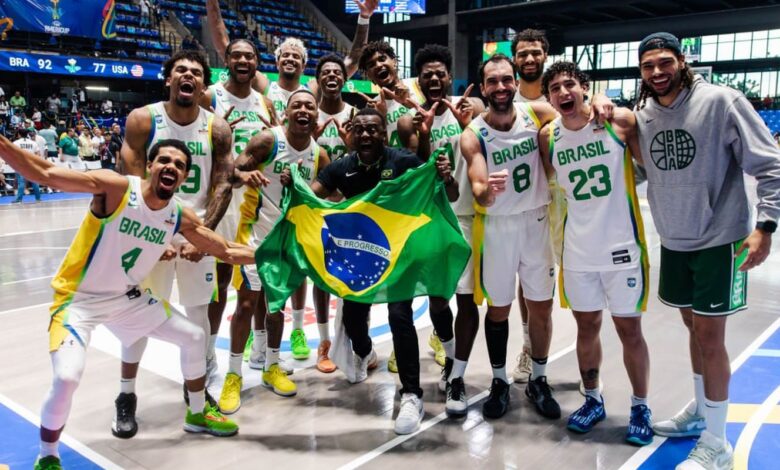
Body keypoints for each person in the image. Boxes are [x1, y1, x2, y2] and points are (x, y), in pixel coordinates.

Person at [0, 137, 257, 470]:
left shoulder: (178, 214)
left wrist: (281, 254)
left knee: (194, 336)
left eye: (179, 165)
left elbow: (227, 251)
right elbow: (45, 171)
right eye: (164, 160)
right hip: (77, 300)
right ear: (150, 166)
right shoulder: (117, 189)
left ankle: (197, 412)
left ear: (183, 178)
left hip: (124, 297)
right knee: (67, 377)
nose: (171, 167)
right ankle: (47, 456)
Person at [634, 32, 780, 469]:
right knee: (693, 330)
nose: (657, 72)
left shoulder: (722, 102)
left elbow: (770, 166)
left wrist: (765, 226)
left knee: (710, 338)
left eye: (664, 62)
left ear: (682, 60)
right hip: (675, 241)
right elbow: (643, 169)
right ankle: (702, 412)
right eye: (647, 66)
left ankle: (718, 441)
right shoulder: (643, 115)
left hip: (720, 239)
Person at [278, 106, 455, 435]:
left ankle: (412, 394)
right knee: (355, 321)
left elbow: (441, 189)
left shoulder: (402, 160)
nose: (365, 135)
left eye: (372, 129)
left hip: (402, 255)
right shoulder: (342, 167)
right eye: (358, 129)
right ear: (350, 134)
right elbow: (312, 196)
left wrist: (444, 174)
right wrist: (296, 184)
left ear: (383, 133)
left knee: (400, 315)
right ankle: (365, 352)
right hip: (363, 258)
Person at [115, 49, 233, 439]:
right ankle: (126, 397)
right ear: (168, 79)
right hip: (151, 234)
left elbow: (222, 183)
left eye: (196, 73)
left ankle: (196, 402)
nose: (189, 76)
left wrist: (205, 237)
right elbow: (130, 183)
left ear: (203, 85)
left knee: (197, 323)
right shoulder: (144, 119)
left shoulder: (217, 127)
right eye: (181, 70)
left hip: (194, 235)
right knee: (139, 321)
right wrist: (152, 235)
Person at [538, 61, 653, 445]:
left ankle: (640, 405)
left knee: (629, 331)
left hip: (622, 248)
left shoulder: (618, 121)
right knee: (586, 329)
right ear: (549, 97)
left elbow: (647, 167)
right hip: (578, 251)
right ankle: (592, 399)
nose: (562, 92)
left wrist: (610, 102)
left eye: (569, 84)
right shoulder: (548, 137)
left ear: (584, 87)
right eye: (554, 88)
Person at [461, 53, 560, 420]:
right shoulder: (473, 134)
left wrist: (599, 101)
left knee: (540, 306)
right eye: (493, 81)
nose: (500, 87)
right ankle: (500, 380)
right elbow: (477, 183)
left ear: (516, 82)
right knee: (498, 309)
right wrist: (487, 191)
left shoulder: (538, 114)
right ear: (483, 88)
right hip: (498, 226)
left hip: (536, 222)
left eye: (506, 79)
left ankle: (539, 377)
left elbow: (575, 107)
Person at [223, 89, 330, 411]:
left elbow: (324, 195)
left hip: (288, 240)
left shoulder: (319, 155)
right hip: (255, 237)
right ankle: (233, 375)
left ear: (315, 116)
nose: (303, 110)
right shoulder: (267, 141)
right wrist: (244, 174)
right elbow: (230, 174)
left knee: (276, 308)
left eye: (309, 106)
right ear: (286, 111)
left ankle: (271, 365)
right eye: (296, 104)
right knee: (245, 305)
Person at [397, 44, 485, 416]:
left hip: (465, 217)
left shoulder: (473, 108)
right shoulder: (408, 120)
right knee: (436, 301)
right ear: (419, 80)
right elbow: (419, 168)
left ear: (450, 77)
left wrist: (468, 126)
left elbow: (486, 149)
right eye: (427, 74)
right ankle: (450, 360)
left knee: (465, 299)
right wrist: (427, 134)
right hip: (430, 220)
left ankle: (459, 377)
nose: (434, 78)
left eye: (440, 73)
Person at [197, 37, 278, 405]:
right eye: (236, 55)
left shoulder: (265, 103)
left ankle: (252, 355)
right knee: (217, 286)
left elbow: (276, 145)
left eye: (250, 55)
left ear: (256, 63)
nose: (243, 60)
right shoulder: (211, 96)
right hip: (218, 200)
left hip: (254, 207)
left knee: (252, 287)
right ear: (225, 60)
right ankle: (208, 354)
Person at [205, 0, 377, 116]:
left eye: (296, 56)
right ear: (277, 62)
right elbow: (224, 48)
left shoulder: (311, 89)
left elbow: (352, 62)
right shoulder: (264, 85)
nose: (290, 59)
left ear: (303, 66)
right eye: (285, 55)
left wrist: (364, 19)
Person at [357, 40, 425, 149]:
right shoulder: (373, 107)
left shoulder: (418, 84)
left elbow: (437, 119)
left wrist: (409, 104)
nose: (378, 65)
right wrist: (381, 118)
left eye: (382, 59)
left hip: (425, 159)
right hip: (397, 163)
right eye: (371, 64)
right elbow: (379, 150)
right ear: (369, 76)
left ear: (394, 61)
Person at [11, 128, 42, 204]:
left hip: (20, 164)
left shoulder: (15, 143)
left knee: (21, 182)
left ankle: (19, 200)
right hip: (31, 164)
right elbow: (38, 154)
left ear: (19, 134)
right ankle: (38, 198)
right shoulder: (33, 143)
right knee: (35, 182)